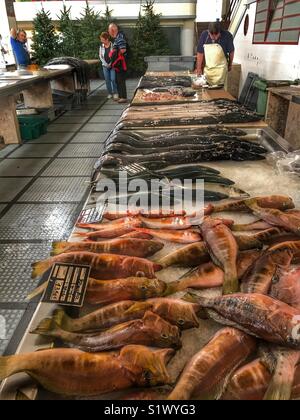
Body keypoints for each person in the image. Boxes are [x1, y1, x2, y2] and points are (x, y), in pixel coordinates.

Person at [196, 21, 234, 86]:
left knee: (220, 91)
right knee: (206, 90)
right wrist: (198, 68)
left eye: (217, 35)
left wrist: (230, 64)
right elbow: (200, 53)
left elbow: (231, 51)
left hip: (221, 71)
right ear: (208, 32)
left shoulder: (227, 35)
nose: (214, 38)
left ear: (220, 31)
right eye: (212, 35)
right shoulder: (204, 35)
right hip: (208, 70)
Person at [108, 23, 128, 104]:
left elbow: (123, 50)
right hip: (117, 64)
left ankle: (123, 97)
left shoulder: (120, 38)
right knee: (117, 80)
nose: (109, 32)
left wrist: (114, 53)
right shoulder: (117, 38)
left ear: (113, 30)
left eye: (109, 30)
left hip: (121, 64)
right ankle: (120, 96)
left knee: (120, 80)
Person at [99, 32, 118, 100]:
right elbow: (100, 56)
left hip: (112, 65)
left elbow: (115, 56)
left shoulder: (113, 45)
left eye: (103, 39)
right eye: (101, 39)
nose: (101, 41)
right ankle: (110, 93)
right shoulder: (101, 46)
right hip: (105, 66)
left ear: (107, 39)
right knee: (107, 80)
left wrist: (110, 63)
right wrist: (106, 64)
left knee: (113, 79)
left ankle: (115, 93)